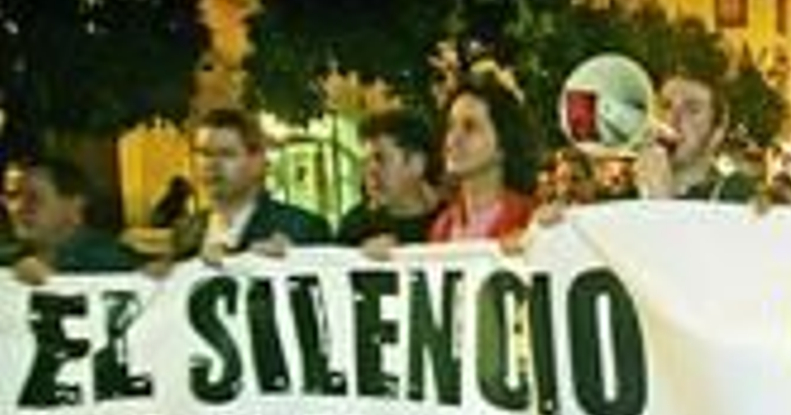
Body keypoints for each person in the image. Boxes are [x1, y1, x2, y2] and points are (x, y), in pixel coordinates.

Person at [171, 106, 332, 264]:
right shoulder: (186, 231)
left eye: (226, 154)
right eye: (204, 153)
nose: (212, 165)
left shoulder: (302, 229)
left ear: (257, 161)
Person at [429, 69, 538, 244]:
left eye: (470, 127)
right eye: (450, 126)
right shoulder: (442, 227)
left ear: (503, 143)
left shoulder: (532, 220)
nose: (453, 139)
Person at [4, 155, 138, 283]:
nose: (18, 208)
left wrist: (53, 279)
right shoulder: (11, 257)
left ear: (75, 207)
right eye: (13, 197)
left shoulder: (109, 261)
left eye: (34, 198)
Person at [633, 67, 758, 203]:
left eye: (692, 110)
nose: (671, 120)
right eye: (666, 106)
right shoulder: (625, 191)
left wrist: (660, 201)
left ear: (717, 131)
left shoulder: (740, 195)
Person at [336, 107, 442, 247]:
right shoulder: (354, 227)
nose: (371, 170)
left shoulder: (452, 222)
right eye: (365, 161)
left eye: (380, 159)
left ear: (416, 163)